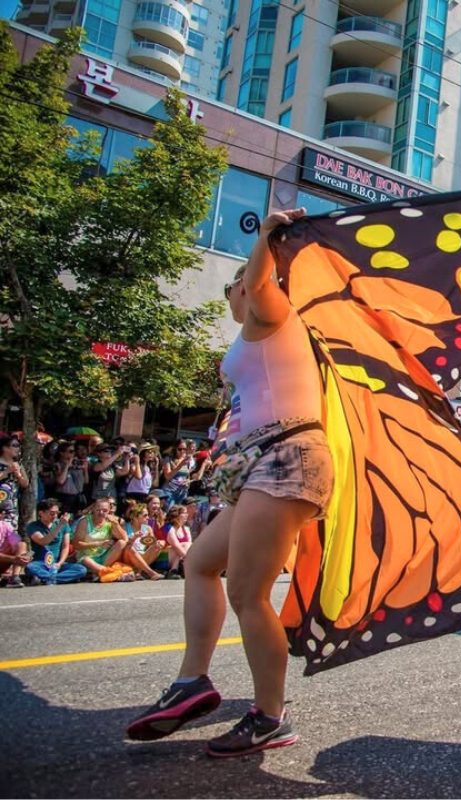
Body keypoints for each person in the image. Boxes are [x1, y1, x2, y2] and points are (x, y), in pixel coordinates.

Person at [126, 207, 333, 758]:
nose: (234, 297)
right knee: (199, 563)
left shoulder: (275, 313)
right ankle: (193, 681)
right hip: (258, 462)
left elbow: (262, 279)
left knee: (246, 590)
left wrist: (267, 237)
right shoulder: (253, 335)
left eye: (236, 288)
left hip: (288, 456)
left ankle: (270, 717)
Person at [25, 499, 88, 585]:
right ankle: (56, 578)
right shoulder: (33, 526)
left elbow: (65, 547)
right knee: (30, 567)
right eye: (51, 513)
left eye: (56, 513)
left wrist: (60, 563)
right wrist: (59, 526)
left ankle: (48, 578)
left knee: (81, 569)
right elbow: (43, 541)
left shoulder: (63, 524)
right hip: (41, 563)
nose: (55, 516)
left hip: (57, 564)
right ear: (41, 513)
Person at [72, 498, 133, 582]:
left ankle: (100, 572)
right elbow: (76, 545)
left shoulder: (110, 522)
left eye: (104, 510)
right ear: (93, 509)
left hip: (104, 557)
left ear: (109, 511)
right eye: (98, 510)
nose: (101, 513)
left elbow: (125, 539)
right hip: (87, 557)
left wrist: (116, 524)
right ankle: (116, 575)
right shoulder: (85, 521)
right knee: (86, 560)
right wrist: (98, 544)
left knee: (121, 543)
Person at [122, 502, 164, 580]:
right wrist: (134, 537)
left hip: (142, 555)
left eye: (147, 515)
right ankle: (150, 572)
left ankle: (138, 571)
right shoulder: (125, 526)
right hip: (129, 556)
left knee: (158, 545)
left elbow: (151, 543)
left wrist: (157, 543)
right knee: (130, 548)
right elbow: (124, 546)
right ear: (135, 517)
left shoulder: (147, 528)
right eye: (145, 515)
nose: (148, 517)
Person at [0, 435, 30, 527]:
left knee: (10, 533)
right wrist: (7, 471)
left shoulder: (18, 464)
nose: (18, 448)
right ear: (5, 448)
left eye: (18, 445)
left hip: (11, 506)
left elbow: (25, 484)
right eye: (14, 445)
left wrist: (19, 475)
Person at [162, 504, 192, 578]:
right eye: (184, 513)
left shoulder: (186, 529)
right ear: (176, 515)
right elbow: (175, 545)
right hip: (164, 558)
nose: (187, 515)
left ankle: (175, 569)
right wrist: (190, 559)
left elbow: (190, 546)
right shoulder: (168, 527)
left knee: (188, 544)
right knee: (182, 545)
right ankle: (175, 568)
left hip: (180, 557)